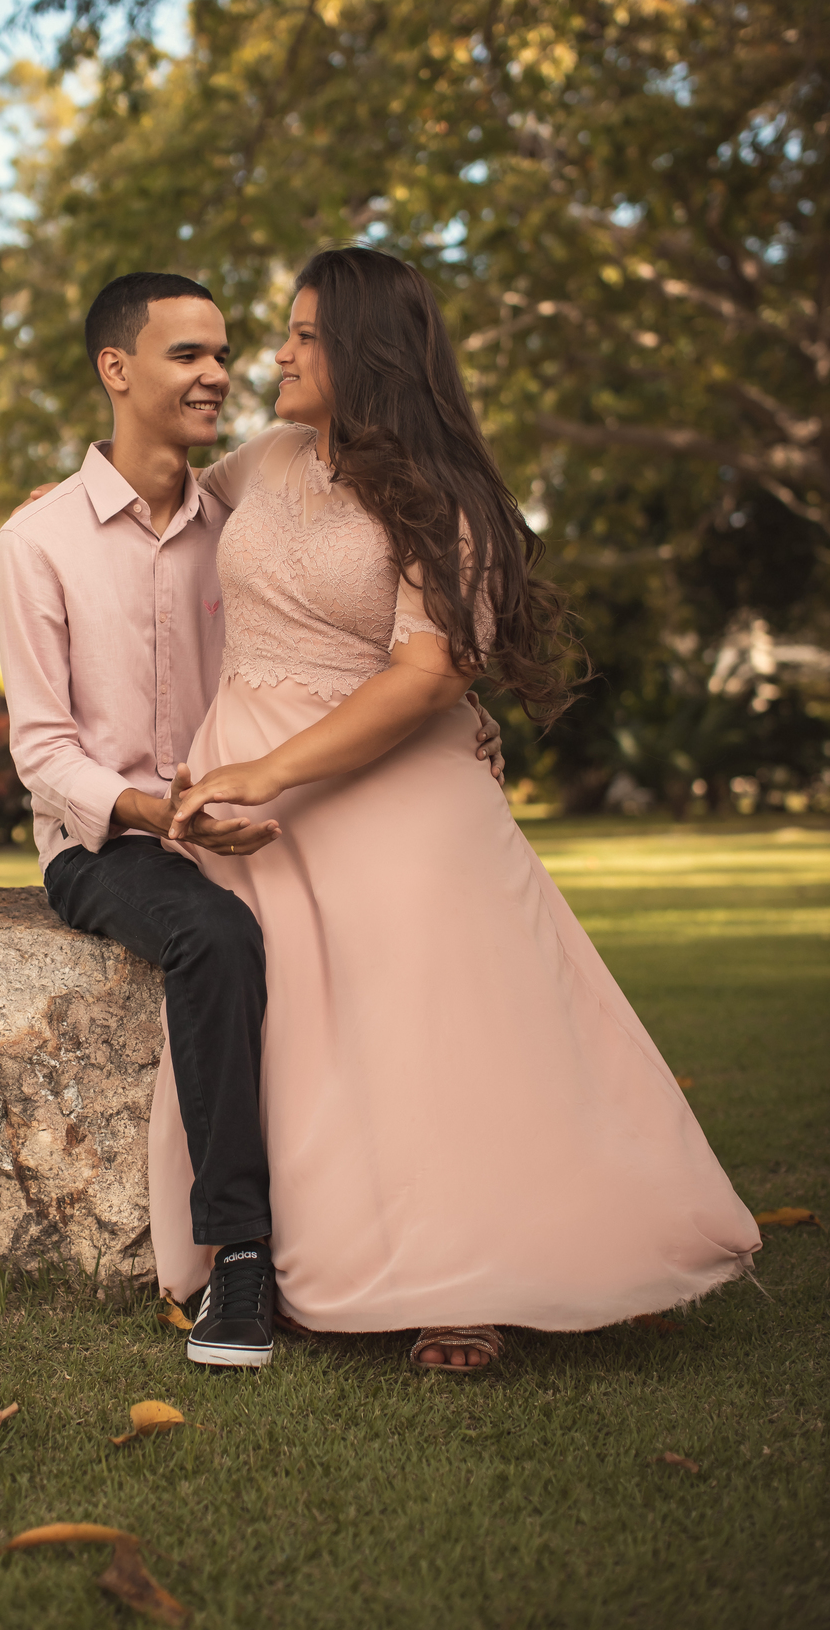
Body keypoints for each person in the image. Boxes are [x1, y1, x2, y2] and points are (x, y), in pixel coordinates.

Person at [160, 245, 761, 1373]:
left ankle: (471, 1284)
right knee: (303, 1037)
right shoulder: (267, 458)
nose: (275, 356)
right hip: (256, 788)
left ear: (365, 352)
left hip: (382, 779)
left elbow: (429, 672)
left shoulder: (452, 500)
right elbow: (167, 497)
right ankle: (293, 1257)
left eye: (301, 336)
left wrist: (265, 770)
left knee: (442, 1032)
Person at [0, 272, 505, 1369]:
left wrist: (466, 704)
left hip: (260, 812)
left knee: (378, 941)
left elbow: (357, 637)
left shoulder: (252, 506)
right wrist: (156, 808)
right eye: (187, 355)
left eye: (227, 351)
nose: (221, 372)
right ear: (115, 370)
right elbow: (40, 750)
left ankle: (433, 1244)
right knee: (215, 940)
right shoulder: (38, 543)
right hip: (115, 839)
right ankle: (238, 1255)